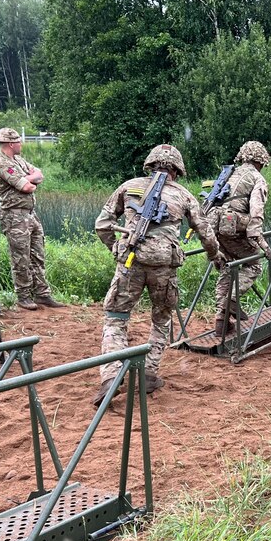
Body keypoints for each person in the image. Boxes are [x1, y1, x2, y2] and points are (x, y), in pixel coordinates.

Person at [93, 144, 221, 406]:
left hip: (131, 260)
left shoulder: (128, 186)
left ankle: (110, 376)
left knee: (116, 318)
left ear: (150, 165)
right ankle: (148, 375)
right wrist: (214, 255)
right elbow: (205, 232)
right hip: (164, 266)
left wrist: (115, 247)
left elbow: (102, 224)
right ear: (177, 170)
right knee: (161, 319)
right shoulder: (184, 196)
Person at [0, 127, 63, 310]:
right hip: (14, 215)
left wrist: (28, 178)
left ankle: (42, 294)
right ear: (11, 143)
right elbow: (27, 187)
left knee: (37, 254)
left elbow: (39, 174)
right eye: (19, 141)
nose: (21, 144)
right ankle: (23, 296)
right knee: (20, 257)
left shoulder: (18, 160)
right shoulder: (1, 163)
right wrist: (29, 180)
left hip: (30, 214)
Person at [209, 140, 271, 338]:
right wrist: (259, 240)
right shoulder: (256, 178)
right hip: (234, 227)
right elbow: (256, 211)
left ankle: (222, 319)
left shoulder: (229, 174)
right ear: (260, 161)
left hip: (216, 227)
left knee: (228, 267)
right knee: (254, 264)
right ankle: (232, 299)